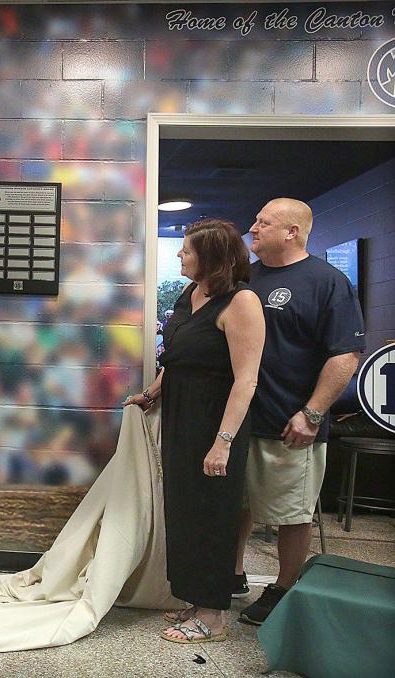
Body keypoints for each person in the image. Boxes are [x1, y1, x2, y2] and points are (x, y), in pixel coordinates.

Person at [124, 219, 265, 643]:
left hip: (215, 422)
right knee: (184, 512)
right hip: (182, 417)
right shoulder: (192, 294)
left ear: (212, 256)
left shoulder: (242, 302)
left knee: (212, 515)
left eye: (186, 250)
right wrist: (151, 394)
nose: (179, 255)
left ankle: (213, 616)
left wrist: (222, 443)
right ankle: (195, 600)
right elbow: (179, 358)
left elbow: (247, 380)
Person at [234, 198, 364, 625]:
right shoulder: (245, 277)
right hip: (238, 418)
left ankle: (284, 586)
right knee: (237, 503)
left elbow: (345, 355)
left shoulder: (327, 281)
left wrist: (311, 413)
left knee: (291, 511)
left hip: (290, 422)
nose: (253, 228)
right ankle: (232, 574)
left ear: (292, 231)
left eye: (263, 223)